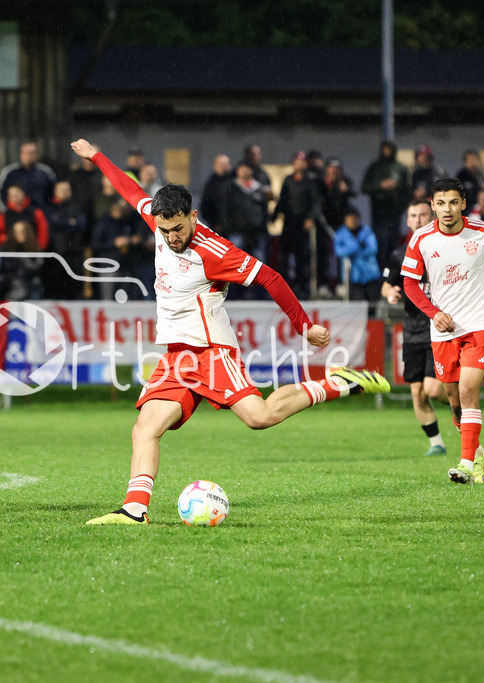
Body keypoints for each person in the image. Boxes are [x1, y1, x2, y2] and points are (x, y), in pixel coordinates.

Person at [70, 138, 390, 525]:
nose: (170, 237)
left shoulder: (214, 252)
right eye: (164, 229)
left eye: (177, 228)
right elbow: (130, 189)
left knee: (260, 417)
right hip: (177, 356)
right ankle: (134, 511)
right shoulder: (159, 221)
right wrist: (97, 156)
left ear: (193, 215)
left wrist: (304, 327)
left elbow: (271, 277)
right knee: (145, 428)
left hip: (211, 351)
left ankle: (337, 383)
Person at [400, 177, 484, 485]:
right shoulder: (421, 239)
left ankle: (465, 464)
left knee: (468, 391)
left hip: (479, 323)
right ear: (432, 206)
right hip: (443, 330)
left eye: (453, 202)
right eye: (440, 203)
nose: (447, 209)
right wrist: (434, 313)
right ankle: (477, 454)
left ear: (463, 203)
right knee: (453, 400)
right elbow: (409, 283)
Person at [381, 198, 448, 457]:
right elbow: (386, 285)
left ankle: (462, 405)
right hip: (412, 330)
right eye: (413, 216)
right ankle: (437, 444)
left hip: (438, 327)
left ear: (431, 217)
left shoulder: (442, 248)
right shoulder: (400, 254)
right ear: (408, 220)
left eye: (422, 215)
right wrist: (391, 293)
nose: (418, 220)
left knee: (432, 388)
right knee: (417, 392)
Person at [271, 151, 326, 297]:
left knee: (303, 258)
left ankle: (303, 289)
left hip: (303, 225)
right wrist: (274, 216)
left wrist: (311, 218)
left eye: (302, 161)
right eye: (297, 161)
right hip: (289, 224)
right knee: (284, 257)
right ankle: (283, 288)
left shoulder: (311, 181)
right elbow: (282, 200)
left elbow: (317, 203)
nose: (299, 164)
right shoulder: (288, 180)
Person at [362, 140, 410, 267]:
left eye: (390, 149)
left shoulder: (400, 168)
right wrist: (380, 186)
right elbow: (365, 187)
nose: (387, 152)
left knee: (393, 242)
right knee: (379, 243)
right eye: (385, 149)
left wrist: (402, 206)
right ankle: (379, 272)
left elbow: (407, 191)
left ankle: (393, 270)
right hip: (378, 211)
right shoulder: (375, 167)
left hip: (394, 212)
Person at [333, 207, 381, 301]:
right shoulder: (341, 233)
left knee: (373, 305)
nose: (352, 221)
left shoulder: (367, 231)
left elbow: (372, 249)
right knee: (358, 305)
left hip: (370, 274)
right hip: (353, 276)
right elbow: (339, 251)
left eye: (354, 218)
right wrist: (357, 246)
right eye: (349, 219)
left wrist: (351, 250)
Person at [0, 142, 56, 212]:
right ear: (21, 154)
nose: (29, 156)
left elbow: (54, 194)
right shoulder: (9, 172)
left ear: (36, 155)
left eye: (32, 153)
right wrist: (6, 212)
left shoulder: (46, 172)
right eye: (26, 153)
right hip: (16, 215)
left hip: (41, 214)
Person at [199, 154, 232, 235]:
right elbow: (205, 206)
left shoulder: (234, 182)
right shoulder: (211, 184)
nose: (223, 167)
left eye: (226, 164)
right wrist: (215, 223)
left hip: (234, 228)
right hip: (217, 227)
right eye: (221, 164)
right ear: (215, 166)